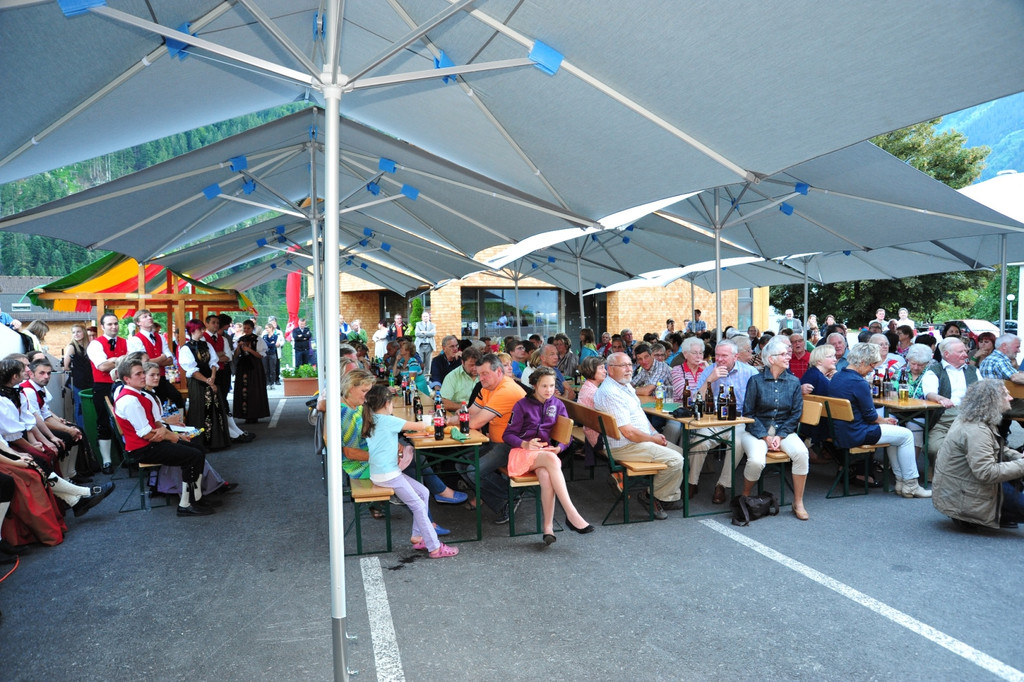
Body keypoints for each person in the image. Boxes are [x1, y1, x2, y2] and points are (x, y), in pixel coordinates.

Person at [361, 385, 459, 558]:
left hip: (381, 473)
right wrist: (434, 417)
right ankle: (435, 547)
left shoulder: (372, 419)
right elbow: (420, 425)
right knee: (418, 505)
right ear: (387, 403)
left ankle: (418, 536)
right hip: (389, 474)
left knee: (423, 492)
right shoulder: (388, 420)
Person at [503, 367, 594, 544]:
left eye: (552, 386)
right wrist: (525, 444)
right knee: (552, 460)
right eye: (544, 386)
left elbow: (567, 437)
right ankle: (571, 513)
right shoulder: (522, 405)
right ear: (535, 385)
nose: (549, 390)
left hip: (544, 454)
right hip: (521, 453)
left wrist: (559, 448)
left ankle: (548, 528)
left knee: (546, 475)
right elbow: (507, 435)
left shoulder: (557, 404)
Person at [113, 358, 214, 517]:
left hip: (150, 443)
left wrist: (169, 434)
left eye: (142, 372)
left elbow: (155, 424)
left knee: (199, 450)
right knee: (193, 456)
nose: (143, 376)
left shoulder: (138, 395)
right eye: (138, 374)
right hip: (142, 449)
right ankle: (185, 504)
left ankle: (196, 497)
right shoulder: (130, 400)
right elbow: (147, 434)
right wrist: (170, 436)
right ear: (127, 379)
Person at [829, 343, 930, 498]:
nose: (872, 370)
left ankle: (902, 481)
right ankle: (910, 484)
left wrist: (884, 421)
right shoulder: (859, 383)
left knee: (898, 435)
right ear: (863, 362)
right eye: (872, 365)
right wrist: (885, 421)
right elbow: (871, 416)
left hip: (841, 430)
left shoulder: (837, 376)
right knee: (907, 435)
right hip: (857, 433)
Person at [593, 352, 685, 519]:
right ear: (610, 369)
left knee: (679, 452)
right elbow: (628, 432)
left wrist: (655, 433)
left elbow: (640, 417)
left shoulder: (624, 385)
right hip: (624, 446)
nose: (629, 369)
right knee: (675, 460)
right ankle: (650, 496)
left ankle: (666, 496)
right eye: (623, 366)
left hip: (633, 440)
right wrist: (652, 439)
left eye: (630, 364)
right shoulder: (611, 393)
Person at [932, 379, 1024, 530]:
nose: (1011, 398)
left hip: (962, 488)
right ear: (993, 401)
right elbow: (986, 472)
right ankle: (978, 516)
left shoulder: (973, 418)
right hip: (965, 495)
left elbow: (995, 448)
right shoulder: (976, 430)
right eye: (1006, 394)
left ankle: (1000, 513)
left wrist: (1018, 457)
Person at [740, 337, 810, 519]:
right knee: (756, 461)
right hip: (757, 431)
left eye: (788, 353)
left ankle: (798, 502)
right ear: (771, 359)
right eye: (784, 354)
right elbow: (749, 413)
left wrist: (780, 435)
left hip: (783, 431)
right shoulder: (756, 381)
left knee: (802, 453)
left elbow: (795, 414)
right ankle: (745, 498)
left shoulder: (794, 382)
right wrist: (765, 436)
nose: (789, 356)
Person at [454, 353, 526, 523]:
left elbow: (475, 422)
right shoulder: (487, 387)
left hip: (515, 445)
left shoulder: (506, 390)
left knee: (474, 471)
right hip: (497, 442)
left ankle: (512, 495)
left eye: (485, 374)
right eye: (479, 374)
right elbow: (470, 412)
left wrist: (452, 420)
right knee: (461, 464)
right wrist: (453, 418)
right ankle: (504, 501)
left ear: (499, 371)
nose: (481, 378)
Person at [693, 340, 758, 504]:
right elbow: (695, 399)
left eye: (724, 356)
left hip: (739, 419)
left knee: (737, 443)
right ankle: (691, 482)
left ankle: (722, 485)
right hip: (713, 419)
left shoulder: (750, 372)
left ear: (735, 357)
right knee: (699, 441)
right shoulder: (709, 370)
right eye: (717, 355)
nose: (720, 359)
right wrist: (710, 380)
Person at [178, 319, 231, 450]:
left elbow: (214, 362)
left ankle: (217, 441)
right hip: (197, 383)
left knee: (215, 407)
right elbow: (191, 370)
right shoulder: (186, 348)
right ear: (192, 330)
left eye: (203, 329)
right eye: (200, 329)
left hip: (210, 379)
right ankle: (200, 442)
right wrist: (207, 380)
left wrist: (212, 377)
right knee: (199, 409)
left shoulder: (207, 345)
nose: (202, 331)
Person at [86, 312, 128, 474]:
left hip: (123, 385)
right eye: (110, 324)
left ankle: (129, 456)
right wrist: (121, 360)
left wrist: (114, 360)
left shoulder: (125, 342)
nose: (114, 327)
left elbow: (134, 362)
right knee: (103, 422)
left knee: (127, 420)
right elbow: (102, 366)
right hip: (103, 387)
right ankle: (107, 461)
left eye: (116, 323)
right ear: (102, 327)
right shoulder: (95, 344)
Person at [922, 336, 977, 459]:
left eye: (965, 351)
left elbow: (984, 393)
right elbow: (929, 393)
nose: (965, 355)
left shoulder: (974, 370)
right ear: (946, 354)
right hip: (944, 418)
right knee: (933, 448)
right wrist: (941, 399)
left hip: (971, 418)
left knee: (978, 447)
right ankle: (939, 469)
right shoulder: (934, 371)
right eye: (960, 352)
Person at [127, 309, 184, 410]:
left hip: (161, 377)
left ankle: (179, 419)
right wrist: (162, 358)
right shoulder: (135, 339)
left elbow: (171, 359)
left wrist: (152, 361)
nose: (149, 318)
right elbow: (142, 363)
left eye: (150, 315)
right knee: (154, 405)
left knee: (177, 397)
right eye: (145, 317)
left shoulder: (160, 337)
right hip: (145, 380)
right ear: (138, 323)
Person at [979, 333, 1024, 439]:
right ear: (1004, 346)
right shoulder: (1000, 360)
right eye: (1017, 347)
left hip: (991, 404)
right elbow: (1015, 377)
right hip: (1000, 404)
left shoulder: (989, 359)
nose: (1019, 351)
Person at [233, 320, 271, 424]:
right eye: (245, 328)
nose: (246, 330)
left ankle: (255, 414)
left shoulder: (258, 340)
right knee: (243, 388)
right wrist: (239, 347)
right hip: (243, 367)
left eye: (248, 328)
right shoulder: (240, 339)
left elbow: (260, 355)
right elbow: (235, 355)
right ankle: (244, 414)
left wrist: (249, 350)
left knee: (254, 389)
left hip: (254, 367)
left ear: (252, 329)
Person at [62, 323, 94, 434]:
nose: (76, 334)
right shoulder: (72, 346)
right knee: (80, 406)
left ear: (84, 333)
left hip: (88, 380)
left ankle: (88, 429)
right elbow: (66, 365)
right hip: (77, 381)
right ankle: (81, 430)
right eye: (73, 332)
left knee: (86, 406)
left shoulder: (88, 346)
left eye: (78, 331)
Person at [440, 346, 480, 411]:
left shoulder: (486, 375)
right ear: (463, 362)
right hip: (458, 414)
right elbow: (444, 403)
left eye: (478, 365)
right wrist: (465, 408)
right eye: (471, 365)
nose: (475, 368)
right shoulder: (452, 376)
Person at [262, 319, 284, 386]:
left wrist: (279, 344)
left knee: (274, 367)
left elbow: (282, 341)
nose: (274, 324)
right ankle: (267, 381)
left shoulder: (278, 332)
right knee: (266, 367)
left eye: (274, 323)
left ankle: (276, 380)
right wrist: (270, 344)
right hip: (266, 352)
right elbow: (263, 342)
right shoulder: (264, 333)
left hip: (275, 350)